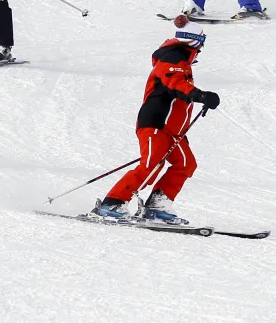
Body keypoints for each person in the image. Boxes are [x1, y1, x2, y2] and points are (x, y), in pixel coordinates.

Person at [91, 15, 221, 224]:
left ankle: (157, 206)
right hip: (156, 123)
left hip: (173, 130)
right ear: (194, 42)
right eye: (200, 45)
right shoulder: (172, 58)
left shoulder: (181, 62)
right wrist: (200, 95)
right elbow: (175, 83)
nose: (200, 51)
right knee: (150, 165)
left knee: (185, 163)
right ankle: (112, 203)